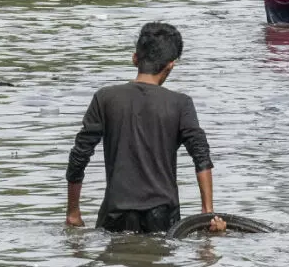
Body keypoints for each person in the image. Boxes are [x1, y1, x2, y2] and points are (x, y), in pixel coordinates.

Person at [65, 22, 226, 234]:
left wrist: (73, 213)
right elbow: (201, 156)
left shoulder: (105, 98)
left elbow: (80, 155)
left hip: (115, 213)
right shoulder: (180, 103)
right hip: (163, 215)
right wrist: (207, 214)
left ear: (135, 58)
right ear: (170, 65)